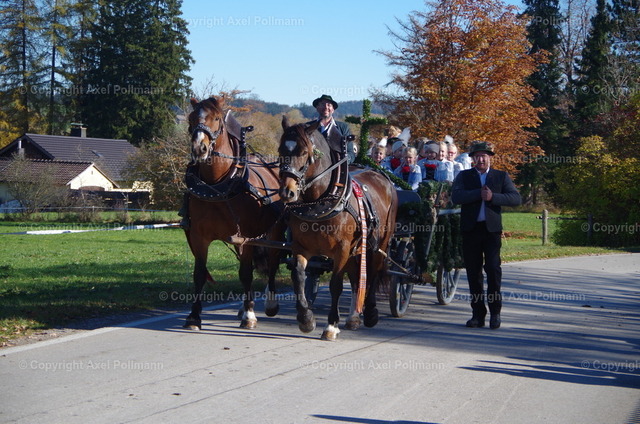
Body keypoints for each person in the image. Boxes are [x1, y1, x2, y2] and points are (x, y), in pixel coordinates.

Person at [451, 141, 521, 330]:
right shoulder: (464, 176)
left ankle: (495, 313)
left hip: (491, 231)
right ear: (472, 159)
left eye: (484, 156)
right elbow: (456, 197)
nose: (481, 159)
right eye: (477, 156)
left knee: (493, 270)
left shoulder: (500, 176)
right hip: (471, 230)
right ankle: (477, 315)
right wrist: (477, 194)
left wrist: (493, 197)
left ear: (490, 157)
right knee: (473, 273)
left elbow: (516, 198)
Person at [308, 94, 354, 163]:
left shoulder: (343, 127)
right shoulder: (307, 127)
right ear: (317, 108)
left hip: (337, 168)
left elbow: (350, 153)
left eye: (329, 105)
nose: (326, 107)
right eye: (322, 104)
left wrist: (345, 160)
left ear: (333, 110)